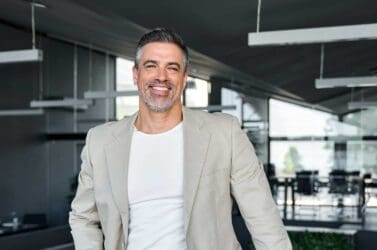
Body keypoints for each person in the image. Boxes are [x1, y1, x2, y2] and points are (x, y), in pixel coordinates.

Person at [69, 28, 291, 250]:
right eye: (151, 65)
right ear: (136, 74)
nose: (161, 76)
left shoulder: (224, 134)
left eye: (172, 68)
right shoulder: (100, 142)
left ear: (184, 77)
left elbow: (263, 218)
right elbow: (83, 217)